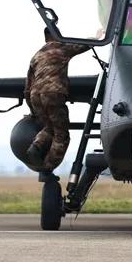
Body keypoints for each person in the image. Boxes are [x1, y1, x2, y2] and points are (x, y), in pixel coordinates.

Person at [24, 28, 90, 172]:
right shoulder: (61, 48)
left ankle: (36, 147)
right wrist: (98, 37)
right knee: (61, 134)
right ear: (57, 36)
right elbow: (85, 45)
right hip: (53, 94)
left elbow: (27, 87)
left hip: (36, 96)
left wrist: (32, 111)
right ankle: (47, 167)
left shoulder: (37, 56)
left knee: (48, 127)